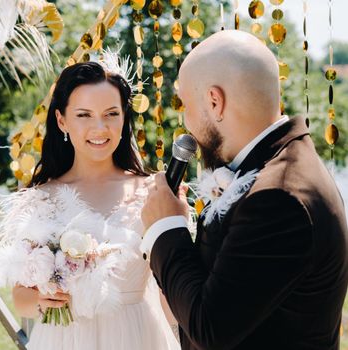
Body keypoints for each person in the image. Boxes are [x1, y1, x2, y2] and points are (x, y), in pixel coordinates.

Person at [141, 30, 348, 350]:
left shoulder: (279, 196)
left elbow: (211, 328)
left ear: (214, 101)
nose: (185, 122)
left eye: (185, 105)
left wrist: (166, 228)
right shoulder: (274, 169)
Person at [0, 61, 180, 350]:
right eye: (84, 115)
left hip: (137, 337)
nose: (100, 127)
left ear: (123, 118)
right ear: (62, 121)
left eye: (111, 114)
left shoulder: (154, 191)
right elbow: (21, 297)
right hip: (64, 339)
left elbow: (172, 288)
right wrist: (43, 301)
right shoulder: (40, 197)